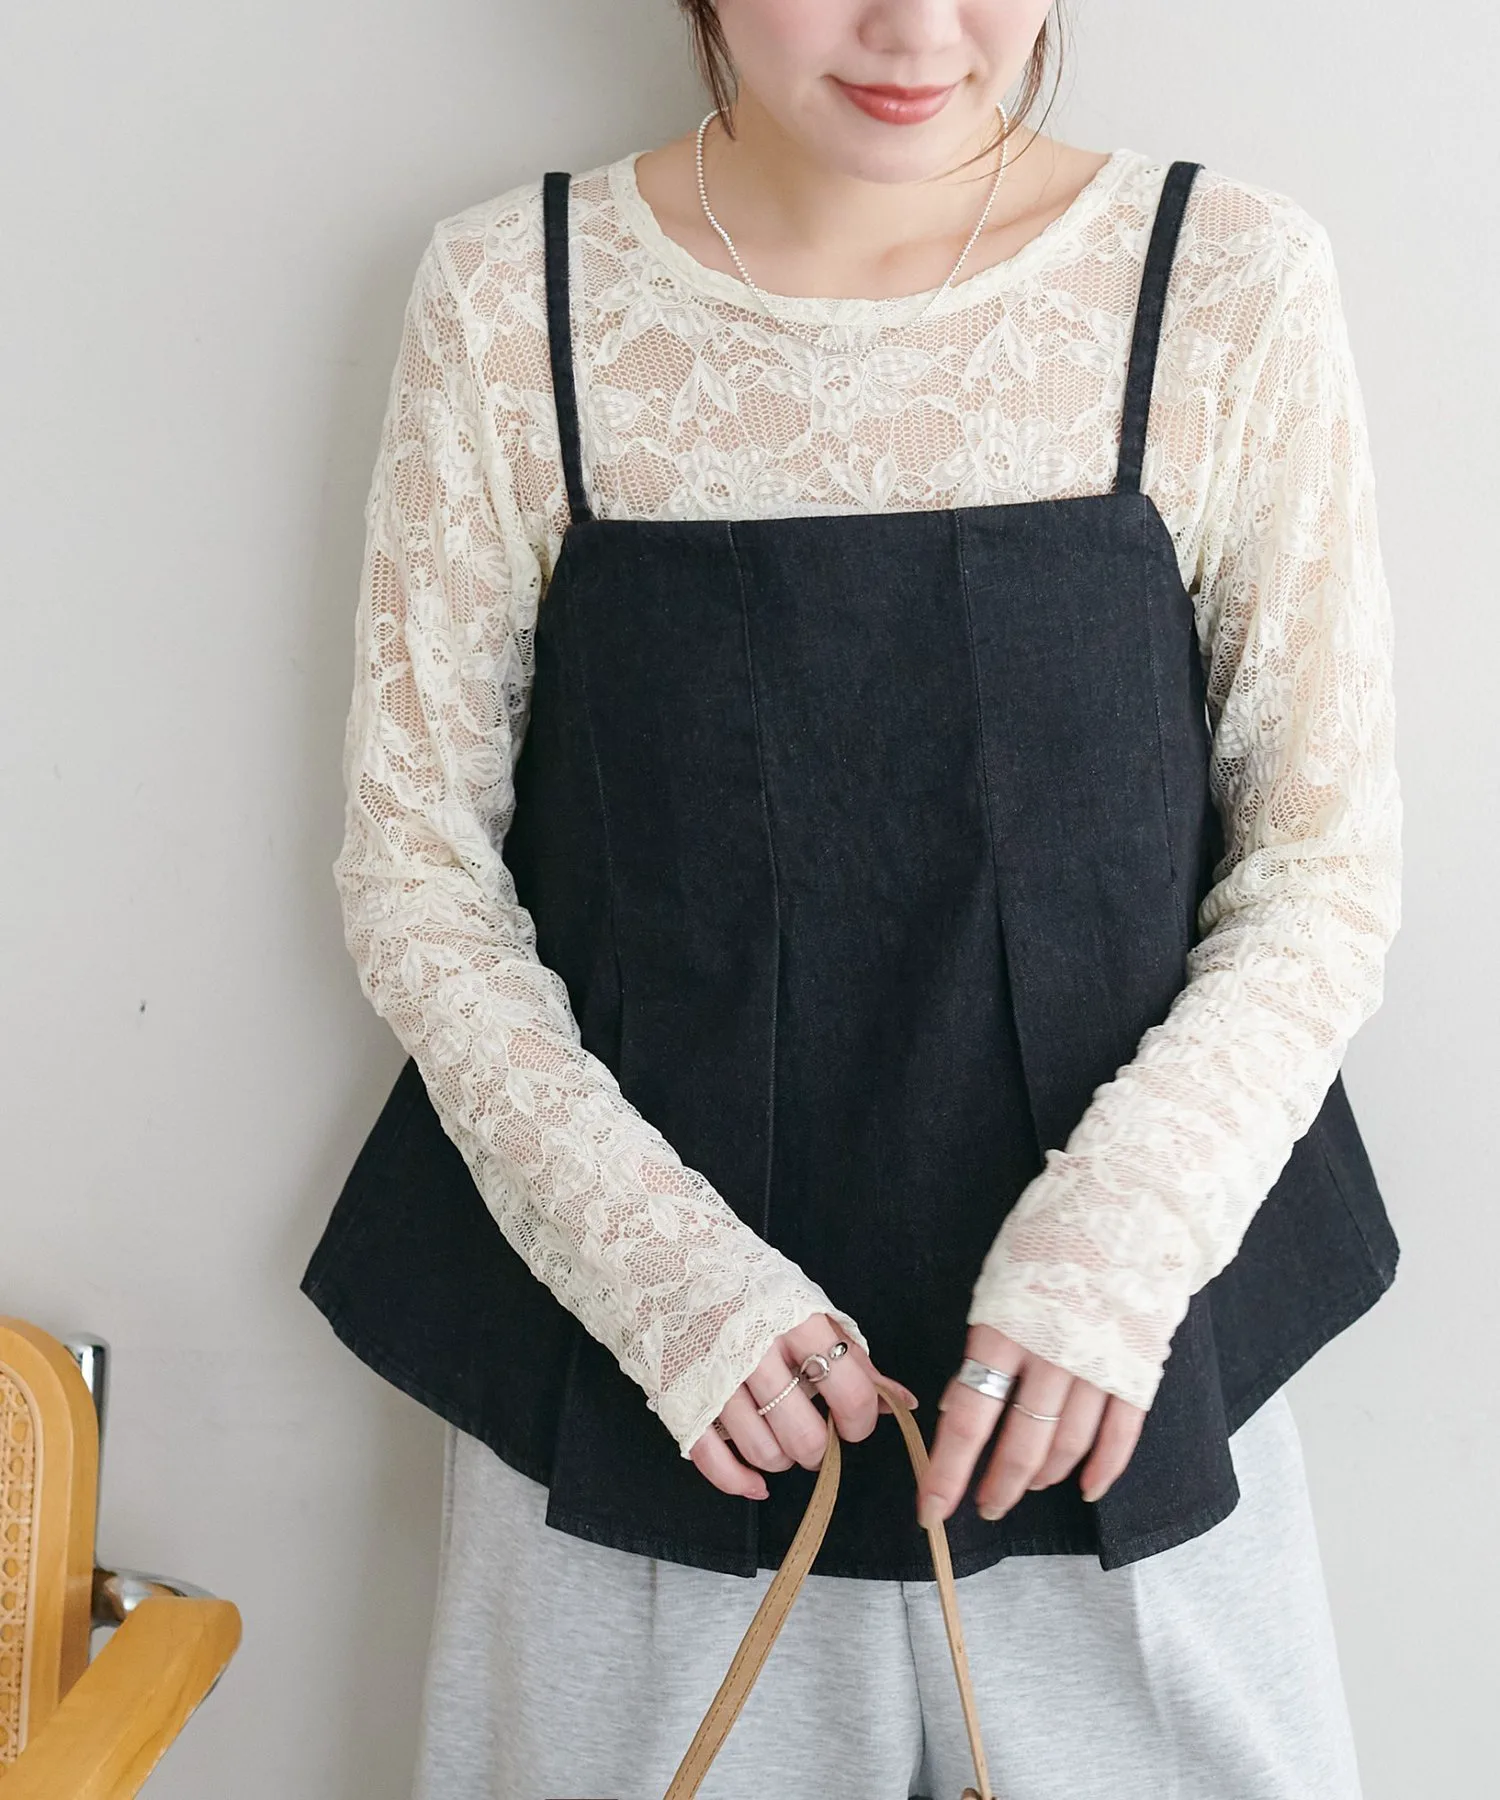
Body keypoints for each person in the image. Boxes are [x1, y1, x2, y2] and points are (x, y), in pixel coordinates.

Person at [300, 2, 1404, 1795]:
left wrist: (1111, 1256)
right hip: (647, 1389)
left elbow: (1324, 867)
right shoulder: (517, 299)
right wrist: (669, 1288)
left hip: (1118, 1366)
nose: (915, 27)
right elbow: (415, 871)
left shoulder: (1224, 280)